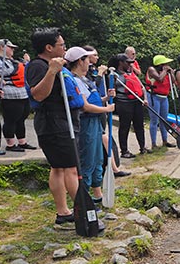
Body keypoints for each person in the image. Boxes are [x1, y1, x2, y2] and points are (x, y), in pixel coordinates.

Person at [25, 27, 79, 225]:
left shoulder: (55, 64)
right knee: (70, 168)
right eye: (61, 45)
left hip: (60, 121)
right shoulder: (38, 66)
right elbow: (38, 95)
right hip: (52, 123)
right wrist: (51, 72)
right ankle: (83, 210)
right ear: (49, 47)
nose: (64, 48)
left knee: (59, 168)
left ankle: (64, 212)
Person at [65, 46, 115, 207]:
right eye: (87, 59)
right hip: (86, 123)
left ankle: (97, 193)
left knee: (98, 159)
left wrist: (106, 97)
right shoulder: (75, 80)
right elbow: (85, 106)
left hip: (95, 122)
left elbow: (94, 100)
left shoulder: (86, 78)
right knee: (88, 161)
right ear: (80, 61)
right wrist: (106, 109)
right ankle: (84, 199)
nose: (90, 63)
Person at [82, 46, 130, 177]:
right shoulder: (84, 72)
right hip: (91, 111)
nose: (97, 57)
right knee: (102, 137)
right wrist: (99, 74)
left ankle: (113, 167)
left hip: (101, 104)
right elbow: (90, 88)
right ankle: (111, 169)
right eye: (95, 55)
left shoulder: (92, 70)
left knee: (104, 137)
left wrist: (107, 97)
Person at [0, 39, 38, 153]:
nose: (13, 50)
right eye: (11, 47)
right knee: (11, 119)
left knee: (22, 117)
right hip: (8, 95)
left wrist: (27, 62)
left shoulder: (14, 61)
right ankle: (10, 143)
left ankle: (22, 142)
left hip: (22, 93)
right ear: (2, 47)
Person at [110, 53, 148, 158]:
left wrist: (144, 99)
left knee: (139, 125)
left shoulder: (131, 74)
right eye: (128, 63)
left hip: (136, 102)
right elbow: (111, 90)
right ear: (121, 63)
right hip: (123, 103)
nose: (130, 65)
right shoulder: (114, 75)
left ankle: (142, 147)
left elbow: (141, 87)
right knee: (124, 127)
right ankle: (124, 151)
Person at [145, 55, 176, 148]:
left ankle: (165, 141)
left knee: (164, 120)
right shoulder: (152, 70)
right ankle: (154, 143)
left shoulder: (165, 72)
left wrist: (171, 73)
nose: (167, 65)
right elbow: (159, 78)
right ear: (160, 64)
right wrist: (165, 71)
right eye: (165, 64)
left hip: (164, 97)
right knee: (154, 120)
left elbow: (173, 82)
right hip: (154, 97)